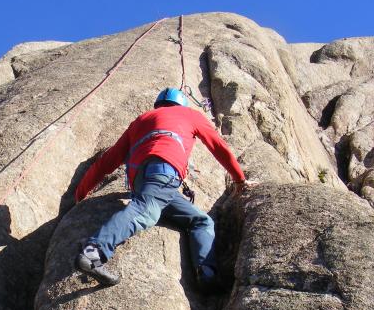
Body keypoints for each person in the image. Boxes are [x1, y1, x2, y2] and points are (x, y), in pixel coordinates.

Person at [74, 87, 250, 290]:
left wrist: (80, 194)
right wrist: (239, 179)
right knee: (145, 211)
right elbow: (218, 146)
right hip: (163, 173)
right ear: (182, 104)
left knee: (201, 221)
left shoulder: (141, 120)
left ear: (158, 105)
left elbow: (108, 161)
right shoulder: (190, 114)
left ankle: (207, 275)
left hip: (144, 180)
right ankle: (93, 252)